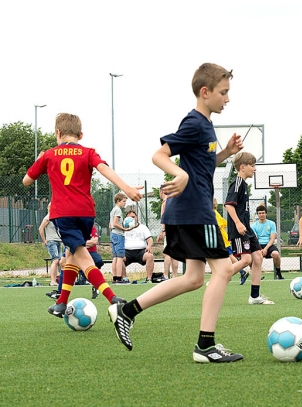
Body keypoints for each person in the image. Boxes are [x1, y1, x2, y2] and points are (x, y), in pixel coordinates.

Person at [108, 63, 245, 363]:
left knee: (194, 278)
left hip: (188, 211)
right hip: (195, 211)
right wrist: (178, 175)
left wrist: (225, 154)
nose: (227, 99)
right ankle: (205, 346)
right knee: (223, 270)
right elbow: (159, 155)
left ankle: (126, 310)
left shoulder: (206, 125)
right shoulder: (195, 122)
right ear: (205, 92)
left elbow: (202, 164)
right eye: (223, 93)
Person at [23, 112, 142, 318]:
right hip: (86, 213)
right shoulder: (88, 152)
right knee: (71, 254)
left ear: (58, 133)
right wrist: (127, 188)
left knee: (81, 256)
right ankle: (61, 303)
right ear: (81, 135)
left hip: (64, 213)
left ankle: (112, 298)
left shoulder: (50, 155)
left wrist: (40, 159)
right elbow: (104, 169)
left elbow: (26, 180)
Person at [225, 151, 274, 304]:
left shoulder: (244, 185)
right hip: (239, 229)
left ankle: (254, 296)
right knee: (246, 260)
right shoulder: (237, 183)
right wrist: (238, 223)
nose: (255, 169)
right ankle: (219, 278)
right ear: (242, 167)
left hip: (247, 228)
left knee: (258, 257)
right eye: (252, 166)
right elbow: (228, 205)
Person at [121, 210, 166, 283]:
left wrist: (149, 246)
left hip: (141, 251)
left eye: (133, 217)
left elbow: (150, 239)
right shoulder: (123, 229)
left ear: (136, 217)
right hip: (127, 251)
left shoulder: (143, 227)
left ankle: (149, 279)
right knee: (119, 258)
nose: (131, 219)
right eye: (129, 217)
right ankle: (124, 279)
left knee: (149, 256)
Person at [213, 197, 250, 284]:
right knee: (225, 257)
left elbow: (217, 226)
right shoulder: (216, 213)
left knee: (228, 256)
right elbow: (225, 223)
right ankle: (237, 273)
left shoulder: (213, 214)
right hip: (223, 239)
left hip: (221, 240)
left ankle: (241, 271)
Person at [251, 204, 283, 280]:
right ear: (257, 214)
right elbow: (255, 239)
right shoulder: (254, 225)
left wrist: (265, 249)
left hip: (268, 245)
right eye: (259, 213)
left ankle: (278, 272)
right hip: (258, 245)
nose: (261, 215)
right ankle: (258, 275)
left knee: (276, 254)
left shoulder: (271, 224)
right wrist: (259, 248)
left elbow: (272, 239)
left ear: (266, 214)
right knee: (251, 257)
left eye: (263, 213)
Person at [157, 187, 179, 279]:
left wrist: (163, 231)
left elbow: (166, 218)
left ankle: (165, 275)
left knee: (167, 253)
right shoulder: (173, 201)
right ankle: (175, 276)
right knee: (174, 254)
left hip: (170, 230)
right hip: (176, 229)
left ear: (162, 191)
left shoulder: (166, 202)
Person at [39, 202, 61, 286]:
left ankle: (57, 279)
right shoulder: (48, 217)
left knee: (59, 261)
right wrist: (45, 240)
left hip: (58, 241)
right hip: (51, 241)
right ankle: (52, 280)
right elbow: (41, 228)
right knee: (55, 260)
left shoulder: (56, 218)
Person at [110, 192, 130, 283]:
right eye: (123, 201)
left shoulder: (113, 210)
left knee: (115, 257)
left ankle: (115, 278)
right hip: (118, 235)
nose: (125, 203)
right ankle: (118, 278)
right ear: (118, 201)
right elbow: (115, 223)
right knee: (120, 257)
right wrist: (124, 229)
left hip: (113, 234)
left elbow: (110, 225)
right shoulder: (118, 210)